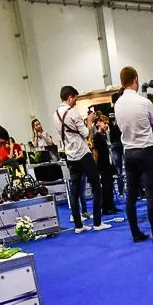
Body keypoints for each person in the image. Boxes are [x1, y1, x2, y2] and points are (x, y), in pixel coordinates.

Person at [115, 65, 153, 244]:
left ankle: (136, 233)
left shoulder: (118, 104)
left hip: (129, 153)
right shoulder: (144, 102)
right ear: (136, 80)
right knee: (151, 194)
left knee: (131, 195)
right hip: (146, 151)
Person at [55, 85, 110, 233]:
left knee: (75, 192)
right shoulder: (72, 112)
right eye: (75, 99)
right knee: (96, 187)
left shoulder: (55, 114)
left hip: (70, 156)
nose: (75, 103)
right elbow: (86, 133)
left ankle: (78, 226)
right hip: (83, 155)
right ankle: (97, 223)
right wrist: (90, 121)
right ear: (70, 97)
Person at [92, 114, 119, 214]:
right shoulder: (97, 136)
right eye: (105, 123)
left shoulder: (104, 135)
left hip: (108, 164)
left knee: (110, 186)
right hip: (102, 165)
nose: (106, 125)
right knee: (105, 187)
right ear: (99, 123)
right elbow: (96, 152)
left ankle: (111, 205)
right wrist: (96, 166)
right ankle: (106, 208)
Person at [108, 90, 126, 195]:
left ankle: (127, 191)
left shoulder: (122, 110)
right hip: (116, 142)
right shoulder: (111, 111)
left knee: (127, 167)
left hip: (122, 141)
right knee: (119, 168)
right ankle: (121, 191)